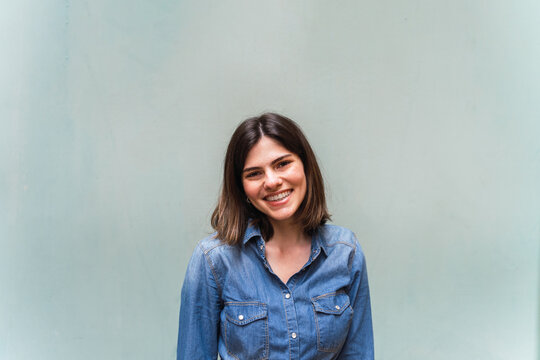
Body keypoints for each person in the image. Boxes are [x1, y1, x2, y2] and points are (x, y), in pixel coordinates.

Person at [177, 113, 374, 359]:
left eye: (282, 164)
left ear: (305, 166)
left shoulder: (346, 252)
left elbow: (359, 354)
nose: (272, 181)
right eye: (254, 174)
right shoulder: (213, 260)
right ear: (242, 188)